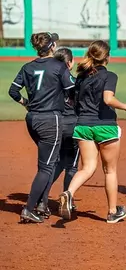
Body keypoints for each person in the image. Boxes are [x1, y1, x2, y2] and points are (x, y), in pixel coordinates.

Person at [58, 40, 126, 224]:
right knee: (110, 171)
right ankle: (112, 212)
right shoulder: (109, 76)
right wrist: (125, 106)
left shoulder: (81, 77)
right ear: (107, 57)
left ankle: (68, 193)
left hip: (83, 125)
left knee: (87, 168)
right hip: (105, 126)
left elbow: (73, 102)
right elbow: (108, 99)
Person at [8, 32, 75, 223]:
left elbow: (13, 91)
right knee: (46, 167)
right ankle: (30, 208)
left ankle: (42, 205)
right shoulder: (59, 66)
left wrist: (26, 103)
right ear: (52, 46)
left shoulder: (27, 67)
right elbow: (71, 91)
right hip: (50, 120)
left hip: (32, 119)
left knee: (48, 162)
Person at [36, 48, 79, 218]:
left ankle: (42, 199)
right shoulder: (74, 82)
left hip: (55, 125)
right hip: (73, 126)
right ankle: (68, 199)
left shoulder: (50, 82)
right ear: (69, 63)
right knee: (72, 166)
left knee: (54, 164)